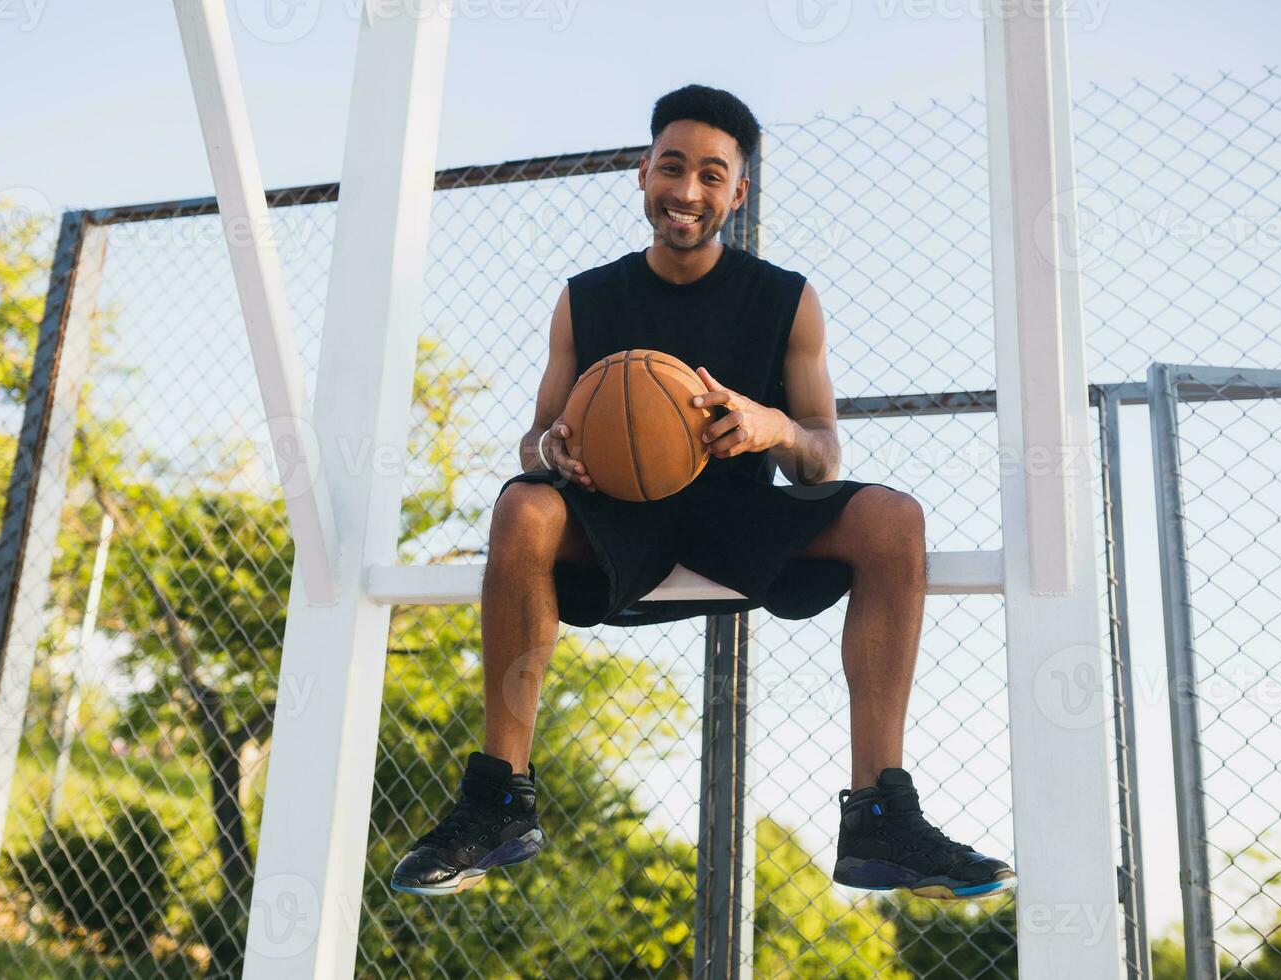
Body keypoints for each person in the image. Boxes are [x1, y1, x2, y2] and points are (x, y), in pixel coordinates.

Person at [390, 84, 1016, 901]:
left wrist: (773, 427)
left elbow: (823, 456)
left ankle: (880, 817)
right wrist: (553, 448)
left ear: (738, 191)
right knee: (522, 503)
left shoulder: (785, 299)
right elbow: (534, 437)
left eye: (711, 175)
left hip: (735, 514)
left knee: (893, 520)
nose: (687, 191)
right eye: (672, 167)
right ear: (643, 171)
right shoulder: (588, 297)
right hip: (617, 515)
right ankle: (499, 799)